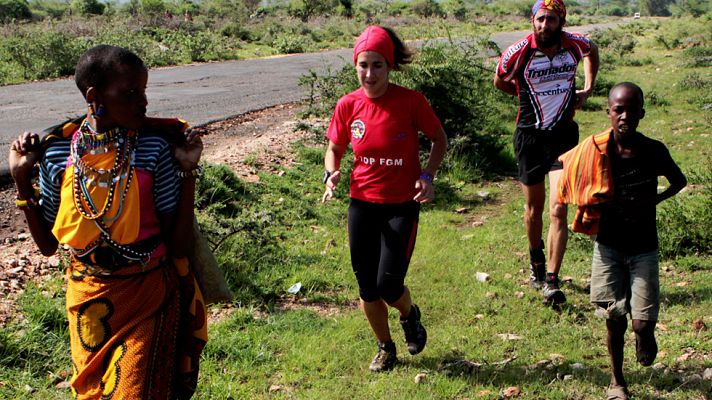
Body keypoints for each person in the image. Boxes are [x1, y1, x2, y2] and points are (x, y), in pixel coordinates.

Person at [8, 45, 207, 398]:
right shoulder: (58, 154)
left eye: (143, 91)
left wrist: (187, 174)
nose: (142, 102)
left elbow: (179, 245)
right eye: (129, 93)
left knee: (134, 391)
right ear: (94, 95)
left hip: (147, 293)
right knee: (94, 393)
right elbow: (48, 246)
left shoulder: (153, 149)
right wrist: (22, 179)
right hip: (87, 296)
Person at [321, 26, 447, 372]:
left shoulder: (411, 102)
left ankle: (409, 313)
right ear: (355, 65)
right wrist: (331, 173)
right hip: (362, 204)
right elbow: (334, 147)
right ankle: (385, 347)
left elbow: (439, 138)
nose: (369, 73)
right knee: (367, 287)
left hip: (401, 205)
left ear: (389, 66)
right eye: (363, 65)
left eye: (378, 65)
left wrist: (427, 176)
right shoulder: (348, 105)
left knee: (389, 285)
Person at [558, 82, 686, 400]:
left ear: (642, 112)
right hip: (609, 247)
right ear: (609, 113)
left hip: (644, 248)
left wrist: (653, 201)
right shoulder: (596, 151)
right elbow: (569, 168)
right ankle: (617, 382)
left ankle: (646, 337)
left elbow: (678, 180)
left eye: (631, 110)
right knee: (614, 320)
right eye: (618, 110)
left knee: (641, 324)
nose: (625, 116)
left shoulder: (653, 150)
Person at [493, 0, 599, 304]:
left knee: (559, 208)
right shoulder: (518, 52)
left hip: (564, 137)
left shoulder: (575, 45)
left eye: (550, 20)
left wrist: (588, 88)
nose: (544, 25)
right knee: (533, 210)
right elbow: (498, 79)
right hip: (529, 137)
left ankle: (552, 280)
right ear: (533, 20)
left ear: (560, 22)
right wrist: (522, 92)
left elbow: (593, 50)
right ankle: (536, 259)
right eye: (540, 19)